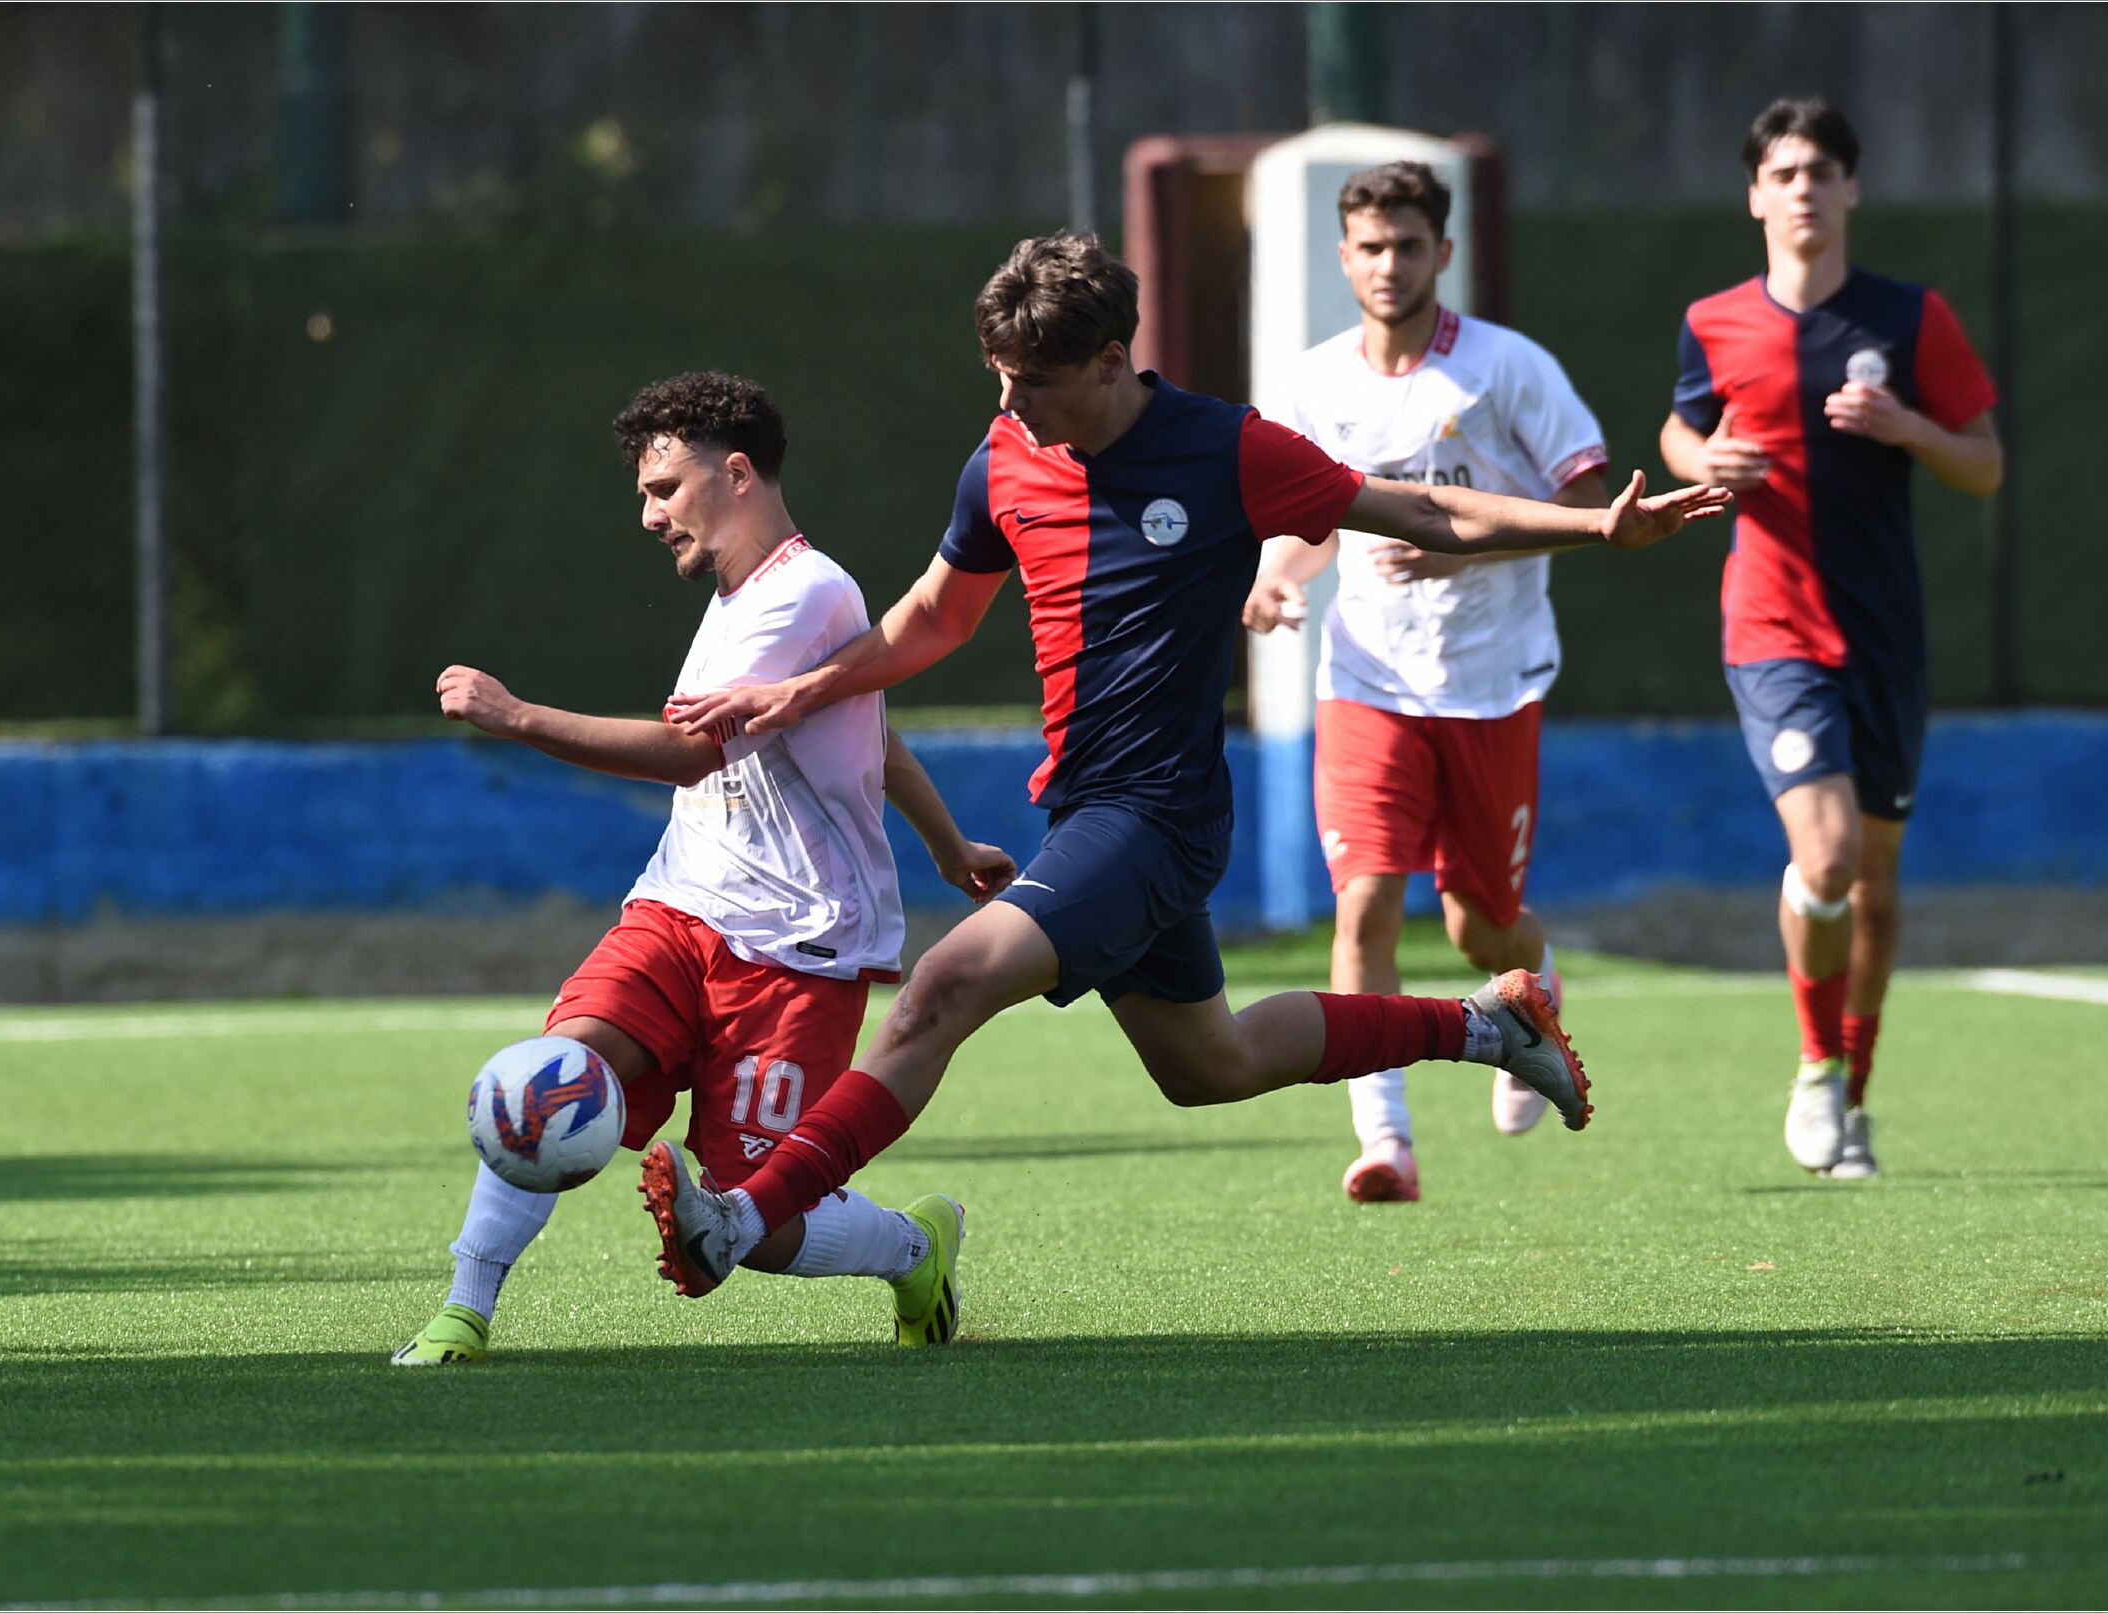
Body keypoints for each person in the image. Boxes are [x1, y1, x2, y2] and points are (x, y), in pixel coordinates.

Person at [647, 232, 1730, 1298]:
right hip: (1088, 809)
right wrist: (801, 689)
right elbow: (935, 615)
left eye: (1034, 381)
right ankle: (1490, 1024)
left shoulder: (1225, 448)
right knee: (1210, 1065)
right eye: (999, 377)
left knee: (943, 989)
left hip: (1157, 814)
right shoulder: (1004, 457)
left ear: (1111, 360)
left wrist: (1594, 528)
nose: (1011, 402)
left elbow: (1420, 506)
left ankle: (742, 1216)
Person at [392, 371, 1016, 1364]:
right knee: (550, 1076)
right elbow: (868, 727)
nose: (648, 515)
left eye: (664, 488)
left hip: (797, 947)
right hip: (679, 911)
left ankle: (912, 1246)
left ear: (736, 474)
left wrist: (515, 717)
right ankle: (463, 1313)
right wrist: (947, 844)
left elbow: (691, 754)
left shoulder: (807, 591)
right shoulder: (743, 597)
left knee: (752, 1224)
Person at [1243, 161, 1613, 1204]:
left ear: (1442, 253)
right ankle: (1385, 1139)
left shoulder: (1505, 368)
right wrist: (1275, 577)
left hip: (1490, 682)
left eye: (1408, 245)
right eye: (1370, 246)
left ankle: (1531, 989)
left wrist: (1464, 548)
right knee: (1363, 902)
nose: (1389, 263)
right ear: (1343, 257)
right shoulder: (1313, 384)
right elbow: (1310, 523)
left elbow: (1588, 498)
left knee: (1477, 928)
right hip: (1367, 679)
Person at [1658, 97, 2002, 1181]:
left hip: (1883, 635)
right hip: (1772, 627)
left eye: (1820, 170)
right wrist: (1700, 461)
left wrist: (1909, 428)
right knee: (1828, 856)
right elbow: (1680, 425)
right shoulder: (1714, 319)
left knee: (1876, 887)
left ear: (1850, 188)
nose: (1802, 188)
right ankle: (1814, 1064)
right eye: (1783, 172)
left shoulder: (1909, 318)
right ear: (1754, 196)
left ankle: (1852, 1092)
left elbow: (1985, 464)